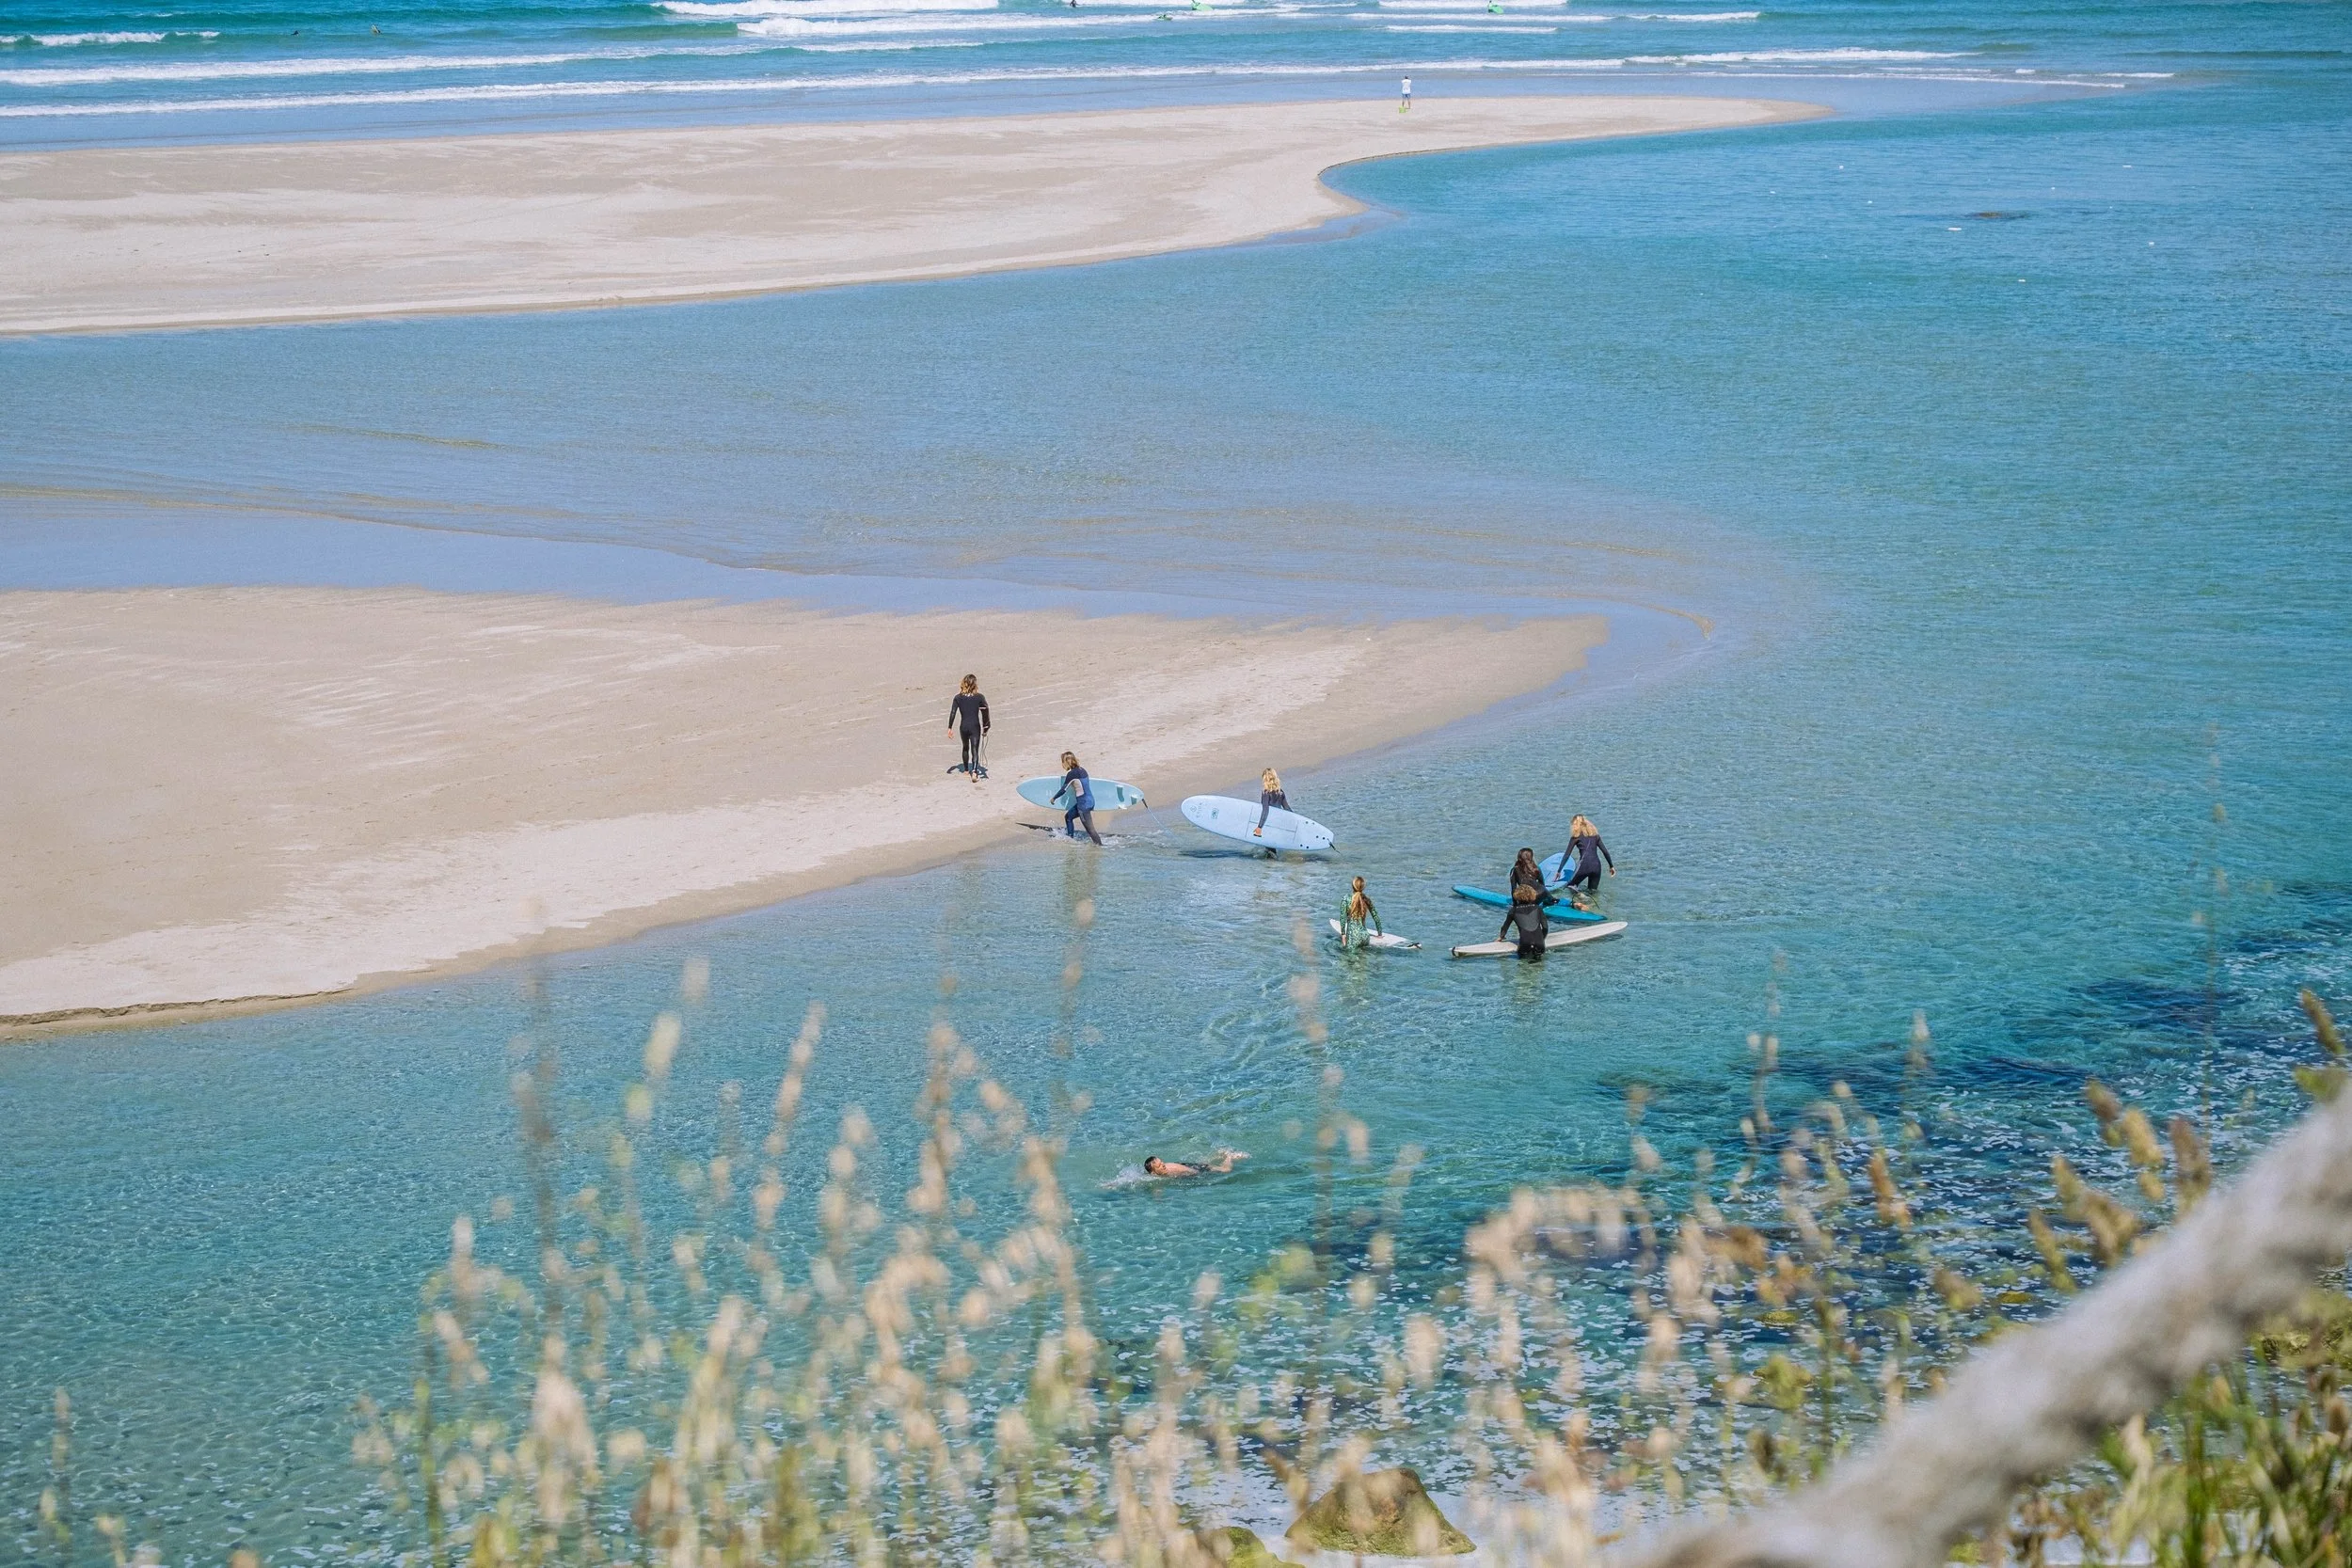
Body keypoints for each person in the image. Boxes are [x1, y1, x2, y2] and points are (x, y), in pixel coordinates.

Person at [1558, 815, 1615, 900]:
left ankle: (1581, 897)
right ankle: (1592, 908)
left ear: (1575, 825)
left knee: (1570, 886)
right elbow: (1605, 852)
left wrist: (1559, 871)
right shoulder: (1596, 836)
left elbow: (1567, 855)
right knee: (1593, 892)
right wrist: (1611, 866)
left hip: (1585, 865)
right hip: (1597, 866)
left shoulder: (1575, 837)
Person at [946, 674, 991, 780]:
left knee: (965, 747)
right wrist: (986, 727)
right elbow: (985, 712)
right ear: (974, 684)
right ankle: (975, 772)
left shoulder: (958, 698)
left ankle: (966, 770)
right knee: (975, 749)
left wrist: (949, 727)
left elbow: (953, 712)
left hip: (964, 727)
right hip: (975, 726)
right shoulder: (979, 697)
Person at [1058, 751, 1103, 845]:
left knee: (1091, 831)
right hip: (1090, 801)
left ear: (1066, 762)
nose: (1062, 764)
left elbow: (1063, 790)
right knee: (1068, 817)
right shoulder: (1082, 770)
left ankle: (1100, 847)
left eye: (1063, 762)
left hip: (1083, 805)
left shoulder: (1071, 774)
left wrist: (1053, 798)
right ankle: (1070, 839)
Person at [1499, 884, 1549, 958]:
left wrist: (1501, 937)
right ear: (1532, 895)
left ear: (1517, 896)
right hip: (1540, 944)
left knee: (1522, 966)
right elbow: (1545, 927)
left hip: (1524, 944)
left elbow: (1505, 927)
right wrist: (1541, 938)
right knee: (1539, 966)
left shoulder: (1513, 910)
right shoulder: (1538, 908)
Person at [1338, 876, 1383, 948]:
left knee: (1346, 958)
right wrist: (1380, 934)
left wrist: (1343, 935)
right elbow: (1376, 916)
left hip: (1353, 938)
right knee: (1363, 958)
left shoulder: (1346, 898)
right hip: (1365, 937)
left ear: (1353, 886)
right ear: (1363, 887)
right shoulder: (1366, 899)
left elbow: (1342, 918)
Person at [1144, 1149, 1248, 1179]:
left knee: (1226, 1170)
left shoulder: (1173, 1168)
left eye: (1162, 1162)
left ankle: (1229, 1156)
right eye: (1159, 1165)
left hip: (1189, 1168)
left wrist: (1201, 1174)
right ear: (1153, 1173)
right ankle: (1218, 1155)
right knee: (1205, 1163)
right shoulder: (1153, 1176)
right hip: (1185, 1166)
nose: (1163, 1165)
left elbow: (1192, 1171)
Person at [1253, 768, 1289, 836]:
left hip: (1270, 823)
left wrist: (1260, 827)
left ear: (1264, 779)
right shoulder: (1280, 792)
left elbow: (1265, 811)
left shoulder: (1266, 793)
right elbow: (1287, 808)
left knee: (1269, 845)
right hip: (1279, 822)